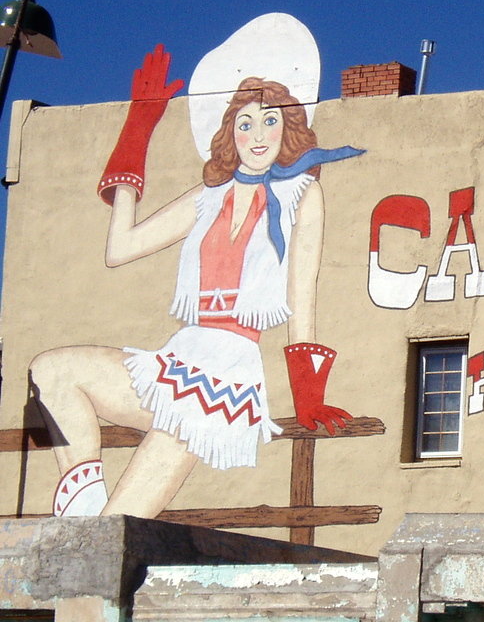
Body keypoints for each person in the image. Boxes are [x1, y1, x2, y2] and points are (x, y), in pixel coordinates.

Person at [30, 45, 363, 518]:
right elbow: (120, 249)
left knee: (114, 534)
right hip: (176, 359)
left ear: (290, 127)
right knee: (53, 370)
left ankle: (90, 537)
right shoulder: (208, 197)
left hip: (225, 378)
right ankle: (82, 513)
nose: (256, 134)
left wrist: (309, 396)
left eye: (270, 120)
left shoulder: (302, 196)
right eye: (244, 123)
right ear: (229, 133)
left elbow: (301, 297)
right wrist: (138, 127)